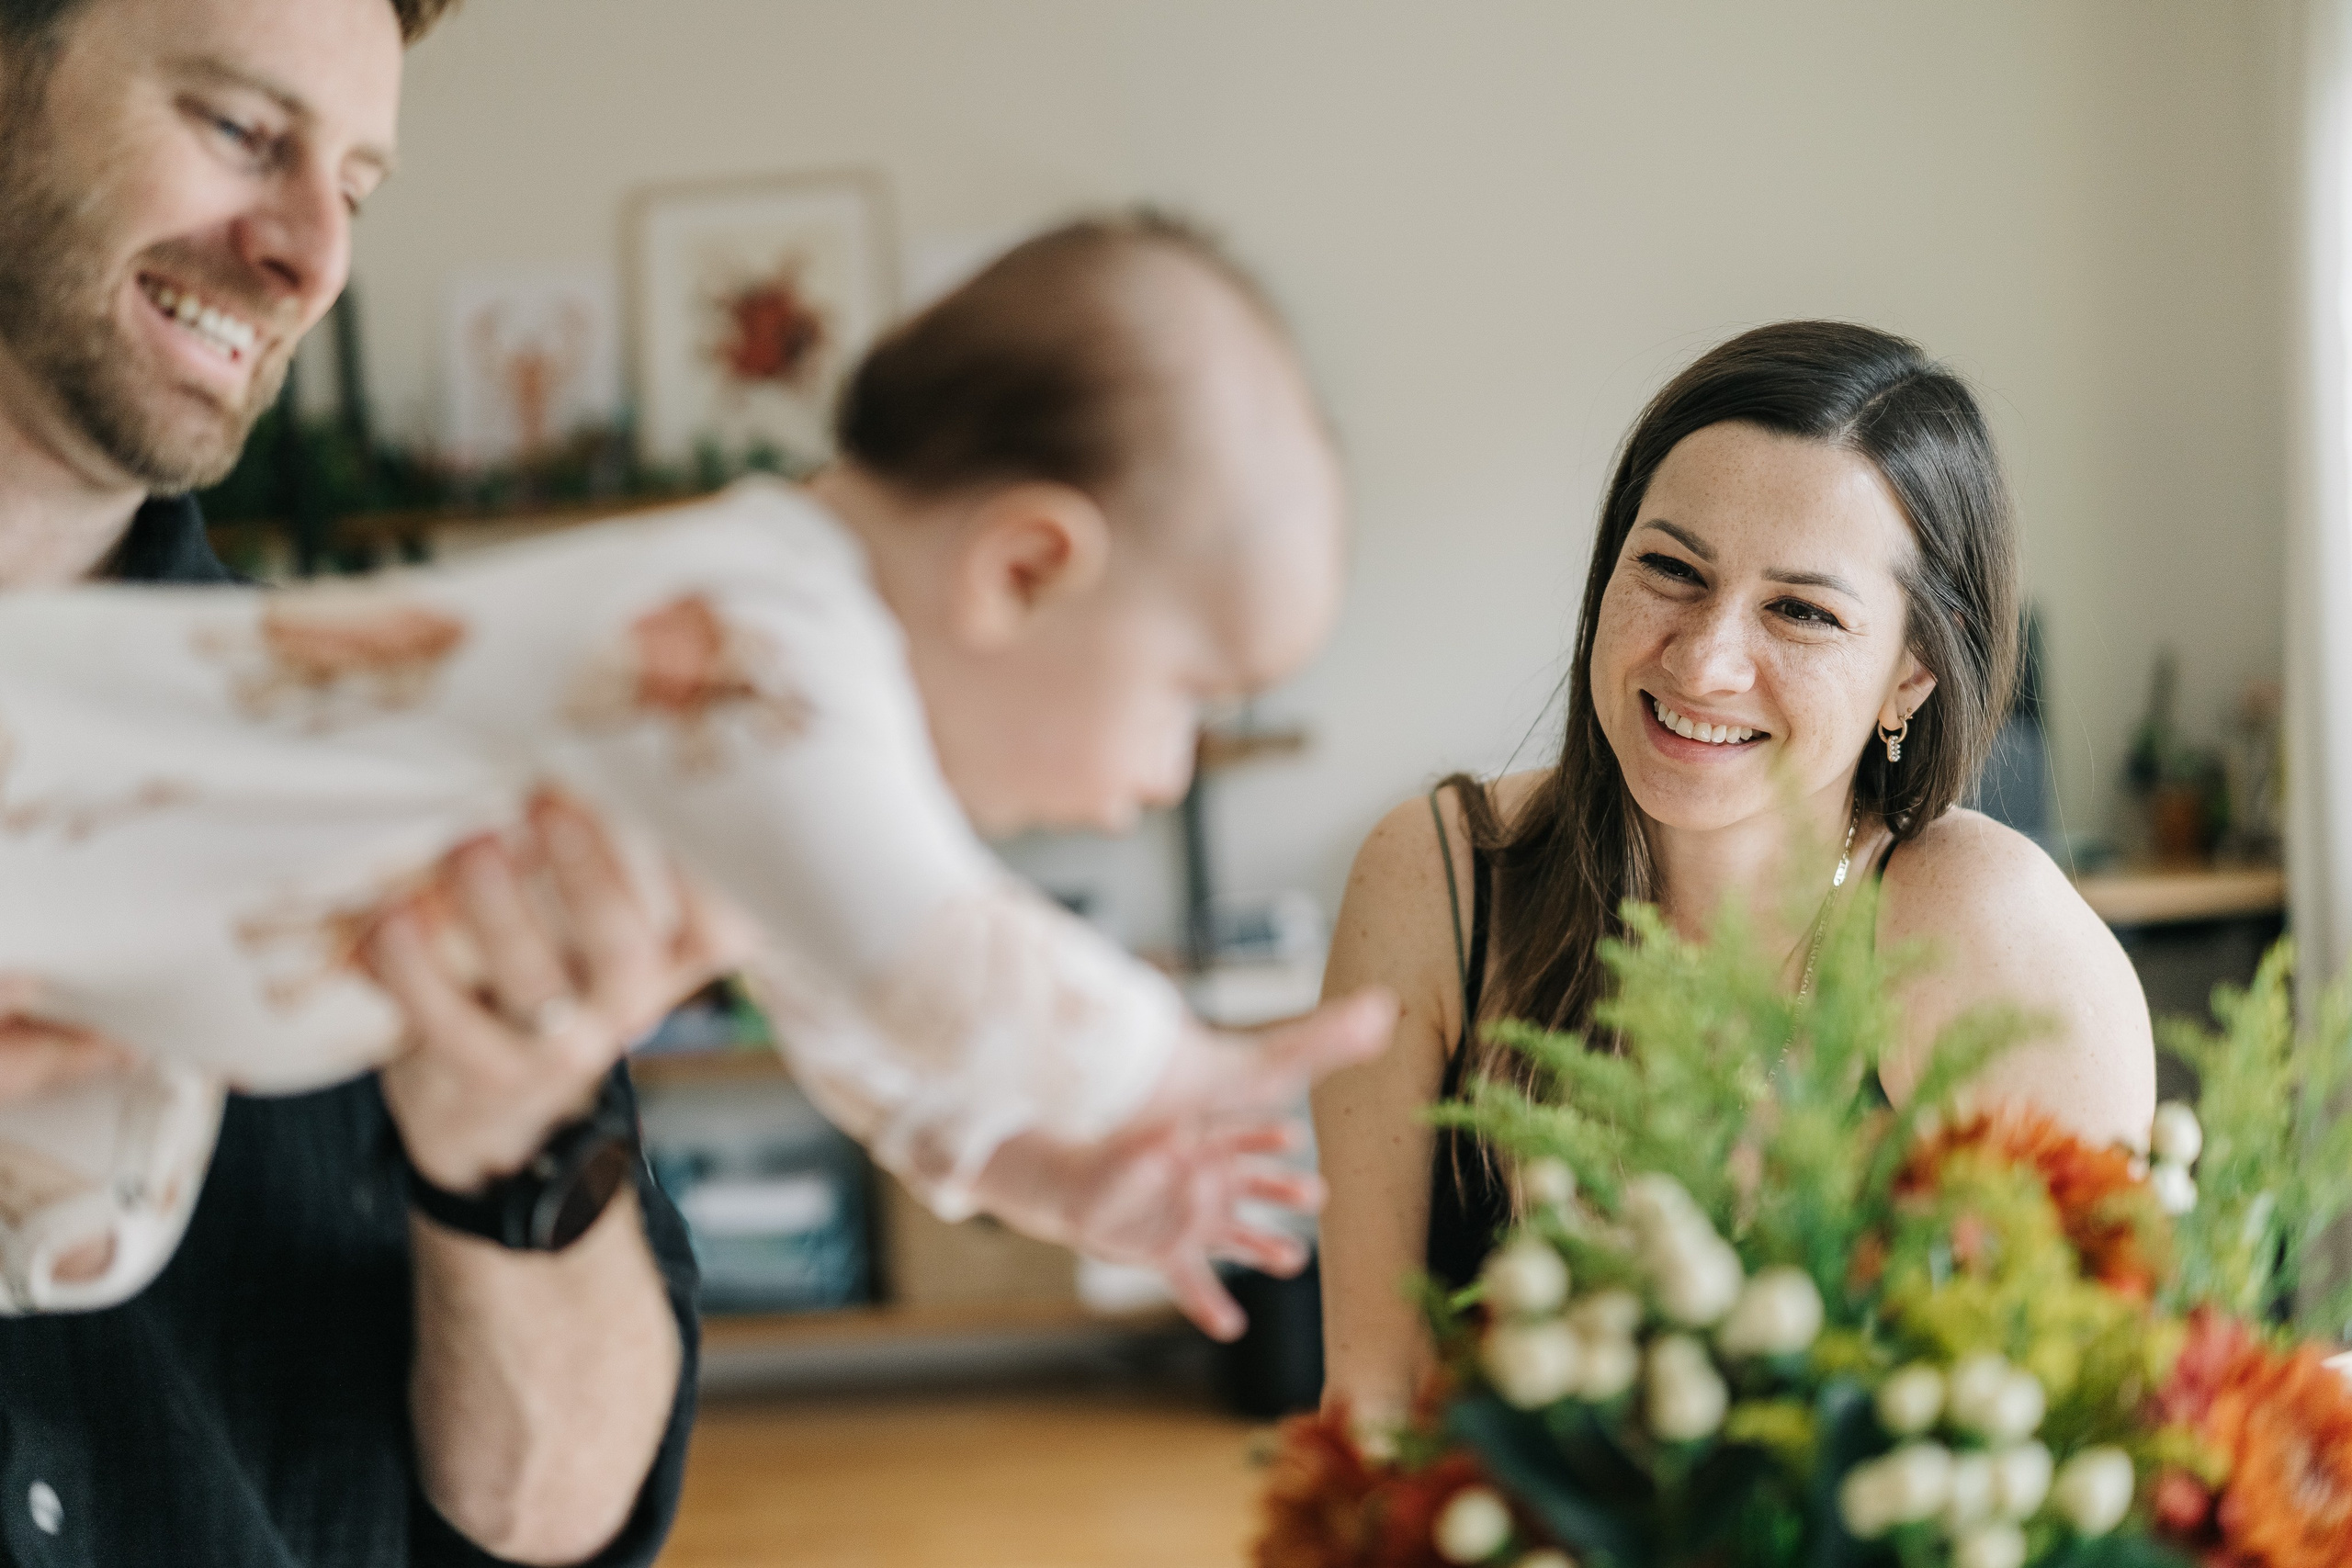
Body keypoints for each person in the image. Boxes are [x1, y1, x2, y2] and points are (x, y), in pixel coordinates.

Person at [0, 4, 1385, 1565]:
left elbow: (849, 1001)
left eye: (362, 186)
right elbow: (925, 946)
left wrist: (1022, 1161)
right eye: (1188, 696)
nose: (1171, 765)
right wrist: (1160, 1064)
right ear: (1027, 567)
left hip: (138, 1001)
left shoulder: (756, 716)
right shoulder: (761, 635)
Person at [1311, 321, 2157, 1423]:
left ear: (1913, 673)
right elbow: (1369, 1404)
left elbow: (2097, 1430)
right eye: (1670, 569)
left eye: (1801, 612)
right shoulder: (1436, 879)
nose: (1705, 660)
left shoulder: (1989, 940)